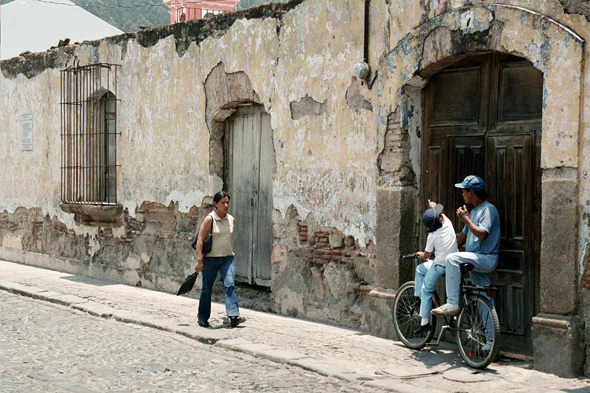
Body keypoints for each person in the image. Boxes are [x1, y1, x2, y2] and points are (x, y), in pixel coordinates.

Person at [431, 175, 500, 349]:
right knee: (485, 302)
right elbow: (460, 239)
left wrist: (466, 220)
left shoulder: (488, 210)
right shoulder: (474, 211)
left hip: (486, 258)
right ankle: (491, 342)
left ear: (471, 192)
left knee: (453, 259)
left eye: (464, 191)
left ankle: (453, 303)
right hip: (475, 260)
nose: (462, 194)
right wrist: (440, 245)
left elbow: (482, 234)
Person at [194, 191, 244, 328]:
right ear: (216, 204)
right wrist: (199, 261)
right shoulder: (209, 219)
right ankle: (203, 317)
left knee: (230, 284)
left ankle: (233, 315)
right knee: (207, 289)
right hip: (211, 259)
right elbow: (200, 240)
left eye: (227, 202)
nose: (226, 205)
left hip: (227, 258)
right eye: (222, 203)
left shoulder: (231, 219)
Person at [413, 200, 458, 335]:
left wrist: (419, 254)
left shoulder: (432, 236)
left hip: (439, 265)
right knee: (421, 269)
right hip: (454, 263)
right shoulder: (448, 223)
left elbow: (426, 254)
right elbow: (440, 211)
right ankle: (419, 301)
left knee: (426, 289)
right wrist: (432, 204)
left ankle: (424, 322)